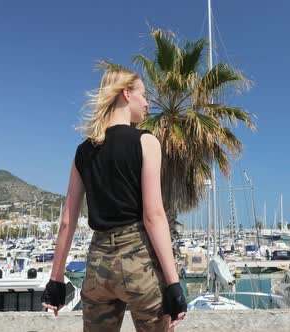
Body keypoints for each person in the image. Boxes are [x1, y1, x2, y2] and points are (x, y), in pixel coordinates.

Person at [41, 67, 187, 331]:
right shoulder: (146, 142)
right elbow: (153, 216)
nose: (147, 104)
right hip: (138, 262)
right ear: (126, 93)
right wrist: (174, 283)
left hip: (98, 268)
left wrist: (56, 281)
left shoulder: (83, 151)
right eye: (144, 96)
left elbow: (67, 222)